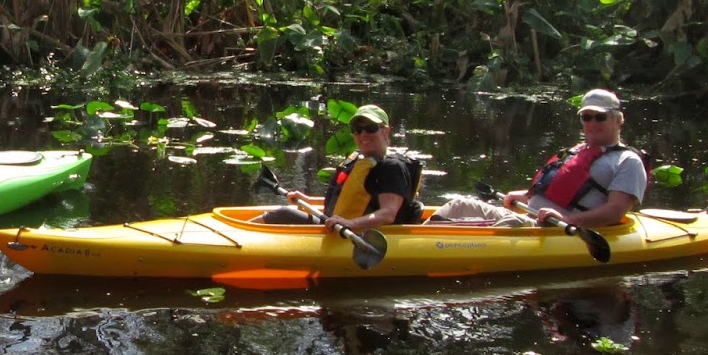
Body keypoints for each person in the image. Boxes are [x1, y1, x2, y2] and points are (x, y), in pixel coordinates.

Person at [435, 89, 648, 227]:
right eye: (586, 117)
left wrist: (567, 219)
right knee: (458, 205)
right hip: (529, 218)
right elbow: (559, 190)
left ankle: (432, 250)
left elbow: (614, 212)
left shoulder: (627, 162)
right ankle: (416, 239)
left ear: (619, 120)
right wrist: (525, 197)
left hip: (552, 229)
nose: (592, 123)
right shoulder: (575, 151)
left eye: (600, 117)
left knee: (506, 223)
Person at [256, 105, 424, 231]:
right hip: (336, 226)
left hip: (359, 233)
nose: (363, 134)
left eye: (370, 128)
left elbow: (388, 213)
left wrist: (351, 223)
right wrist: (311, 202)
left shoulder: (391, 167)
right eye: (357, 130)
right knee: (289, 212)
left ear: (386, 131)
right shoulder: (358, 161)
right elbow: (348, 202)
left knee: (286, 214)